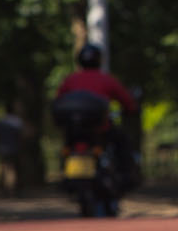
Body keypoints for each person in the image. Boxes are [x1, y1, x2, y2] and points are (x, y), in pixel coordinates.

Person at [55, 44, 141, 190]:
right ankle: (128, 176)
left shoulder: (70, 80)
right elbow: (127, 101)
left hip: (74, 131)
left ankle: (64, 172)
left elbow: (58, 100)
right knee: (123, 143)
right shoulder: (106, 79)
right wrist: (131, 108)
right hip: (101, 130)